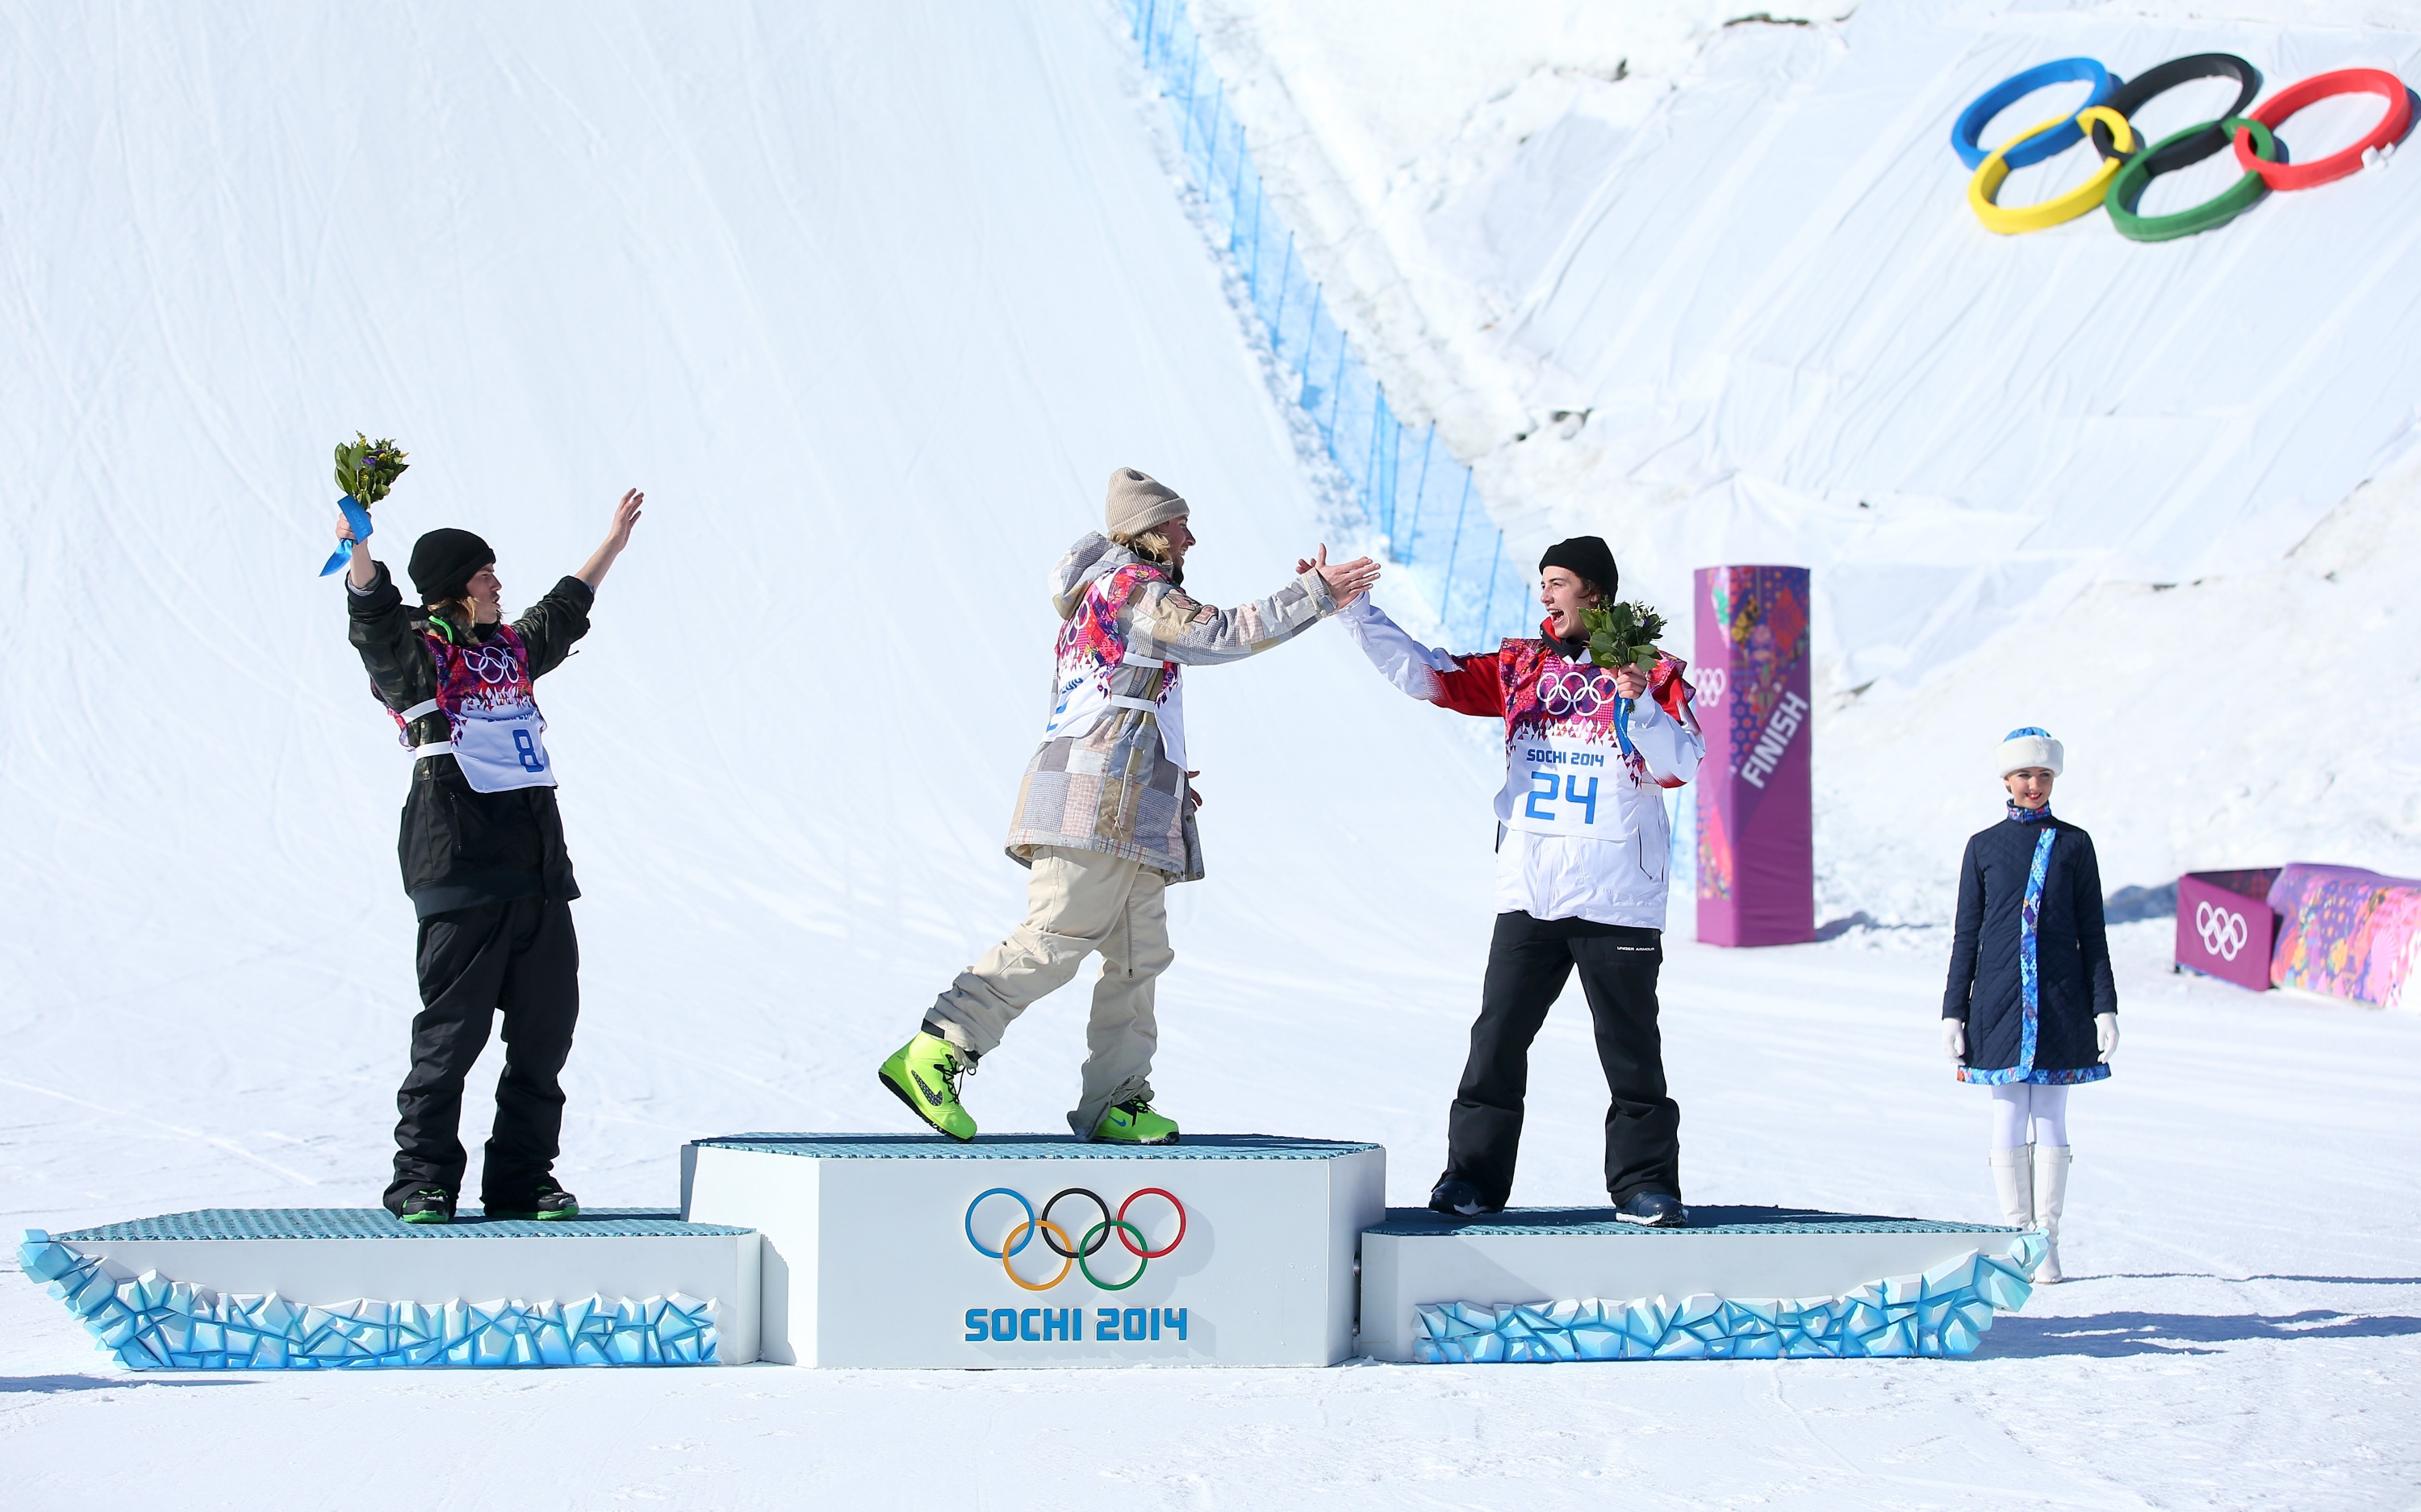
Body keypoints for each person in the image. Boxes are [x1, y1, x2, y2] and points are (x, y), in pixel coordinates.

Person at [879, 468, 1379, 1144]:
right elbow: (1219, 634)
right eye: (1180, 525)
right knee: (1058, 936)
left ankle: (1115, 1100)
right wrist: (1315, 594)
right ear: (1148, 530)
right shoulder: (1131, 588)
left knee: (1140, 957)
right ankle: (939, 1046)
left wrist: (1158, 765)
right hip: (1092, 799)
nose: (1190, 539)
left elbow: (1112, 698)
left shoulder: (1116, 593)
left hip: (1127, 796)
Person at [1337, 537, 1704, 1226]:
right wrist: (1355, 610)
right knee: (1497, 1041)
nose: (1545, 593)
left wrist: (1642, 705)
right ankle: (1471, 1181)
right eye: (1543, 581)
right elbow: (1427, 674)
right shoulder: (1522, 667)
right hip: (1532, 892)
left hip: (1619, 896)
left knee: (1630, 1052)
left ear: (1595, 593)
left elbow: (1680, 765)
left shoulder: (1653, 671)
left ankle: (1646, 1186)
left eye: (1559, 581)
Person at [336, 490, 645, 1223]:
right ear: (453, 587)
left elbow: (562, 609)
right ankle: (422, 1180)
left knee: (545, 1036)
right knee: (451, 1039)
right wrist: (358, 549)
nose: (498, 584)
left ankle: (521, 1179)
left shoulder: (507, 649)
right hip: (460, 866)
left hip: (537, 871)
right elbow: (373, 617)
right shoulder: (418, 657)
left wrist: (612, 545)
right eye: (484, 575)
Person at [1941, 727, 2118, 1283]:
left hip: (2061, 999)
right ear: (2006, 779)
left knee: (2051, 1117)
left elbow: (2093, 933)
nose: (2034, 785)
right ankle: (2019, 1240)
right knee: (2009, 1114)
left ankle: (2048, 1241)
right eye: (2024, 775)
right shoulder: (1983, 846)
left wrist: (2104, 1006)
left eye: (2043, 775)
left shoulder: (2074, 844)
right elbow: (1966, 935)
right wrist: (1953, 1011)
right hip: (1998, 1001)